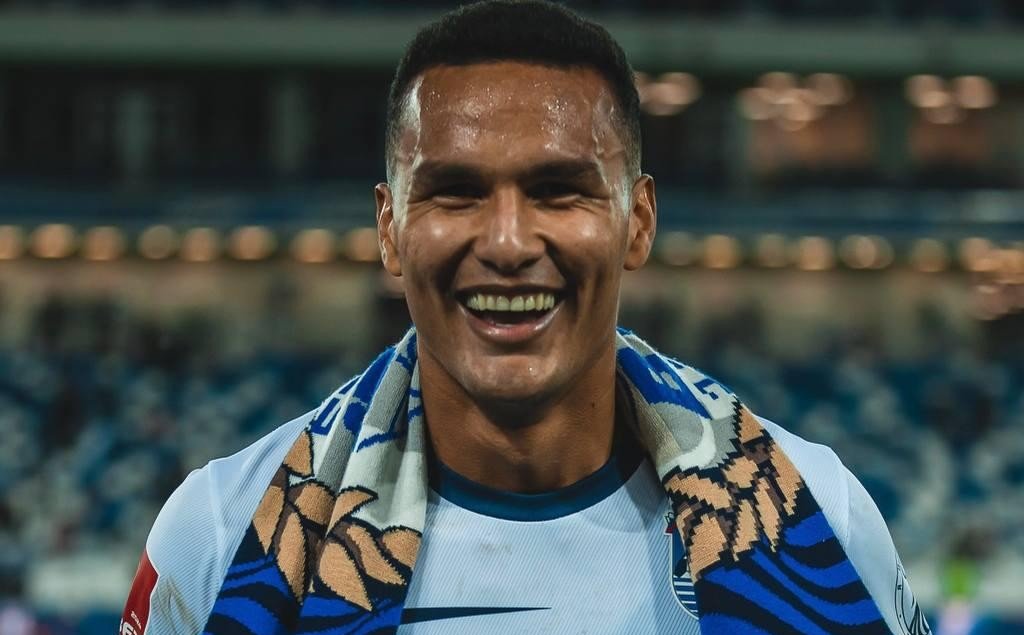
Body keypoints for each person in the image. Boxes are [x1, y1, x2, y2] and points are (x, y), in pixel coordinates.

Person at [121, 1, 929, 633]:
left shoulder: (823, 515)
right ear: (390, 229)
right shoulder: (220, 533)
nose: (507, 243)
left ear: (638, 222)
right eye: (455, 192)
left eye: (558, 190)